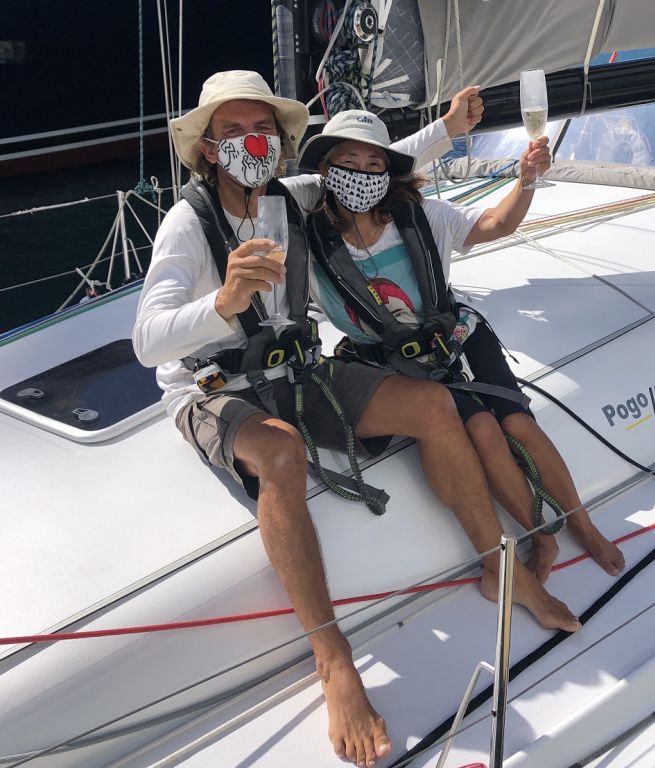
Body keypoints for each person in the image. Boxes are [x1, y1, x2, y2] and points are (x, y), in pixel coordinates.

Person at [133, 70, 579, 768]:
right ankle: (334, 658)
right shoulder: (187, 223)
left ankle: (503, 571)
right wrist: (220, 303)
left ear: (280, 143)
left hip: (300, 370)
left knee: (435, 406)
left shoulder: (294, 195)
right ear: (210, 149)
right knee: (280, 455)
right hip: (214, 386)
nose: (253, 143)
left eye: (264, 130)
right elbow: (148, 339)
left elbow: (364, 166)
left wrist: (449, 131)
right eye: (233, 132)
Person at [298, 110, 625, 588]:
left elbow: (494, 224)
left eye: (375, 165)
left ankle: (583, 524)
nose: (362, 175)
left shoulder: (423, 215)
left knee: (517, 423)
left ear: (389, 172)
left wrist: (527, 181)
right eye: (348, 161)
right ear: (326, 171)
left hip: (456, 337)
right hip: (390, 361)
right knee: (487, 434)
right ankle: (543, 534)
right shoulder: (307, 241)